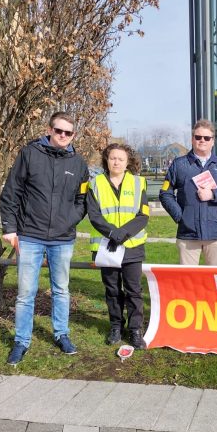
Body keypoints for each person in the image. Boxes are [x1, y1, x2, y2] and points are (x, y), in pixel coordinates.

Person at [0, 112, 90, 365]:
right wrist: (9, 227)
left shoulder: (79, 164)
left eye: (68, 133)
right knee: (26, 292)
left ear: (73, 135)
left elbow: (82, 201)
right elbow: (11, 192)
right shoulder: (30, 154)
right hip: (30, 235)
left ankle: (62, 334)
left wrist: (68, 221)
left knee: (61, 290)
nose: (62, 136)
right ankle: (21, 341)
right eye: (58, 131)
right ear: (49, 130)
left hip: (62, 238)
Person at [87, 143, 149, 349]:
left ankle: (135, 330)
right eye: (112, 158)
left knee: (133, 290)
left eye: (121, 159)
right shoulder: (95, 183)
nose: (116, 162)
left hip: (132, 245)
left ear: (128, 162)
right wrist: (113, 233)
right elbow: (94, 215)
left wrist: (124, 233)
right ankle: (115, 326)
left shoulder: (139, 183)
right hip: (107, 245)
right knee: (112, 289)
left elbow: (143, 215)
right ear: (106, 159)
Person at [159, 119, 217, 265]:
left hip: (215, 234)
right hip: (188, 235)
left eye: (206, 138)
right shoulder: (179, 165)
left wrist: (213, 194)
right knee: (188, 283)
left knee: (215, 282)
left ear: (213, 141)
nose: (202, 140)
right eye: (198, 137)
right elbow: (165, 193)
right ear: (192, 139)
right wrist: (180, 217)